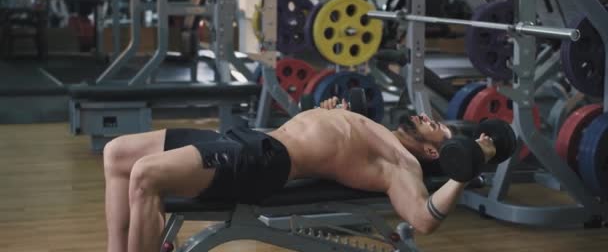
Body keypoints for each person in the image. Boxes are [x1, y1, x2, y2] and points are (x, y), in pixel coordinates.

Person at [103, 96, 496, 252]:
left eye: (436, 127)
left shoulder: (400, 164)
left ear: (432, 151)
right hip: (247, 141)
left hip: (260, 162)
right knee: (116, 154)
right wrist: (327, 114)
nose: (428, 117)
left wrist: (465, 169)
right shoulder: (375, 129)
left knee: (144, 175)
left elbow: (424, 220)